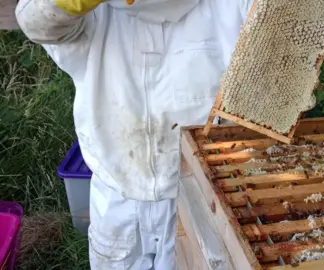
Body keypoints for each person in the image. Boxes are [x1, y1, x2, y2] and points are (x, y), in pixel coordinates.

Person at [15, 0, 253, 268]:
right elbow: (36, 20)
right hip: (118, 201)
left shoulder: (229, 5)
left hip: (205, 200)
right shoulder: (98, 13)